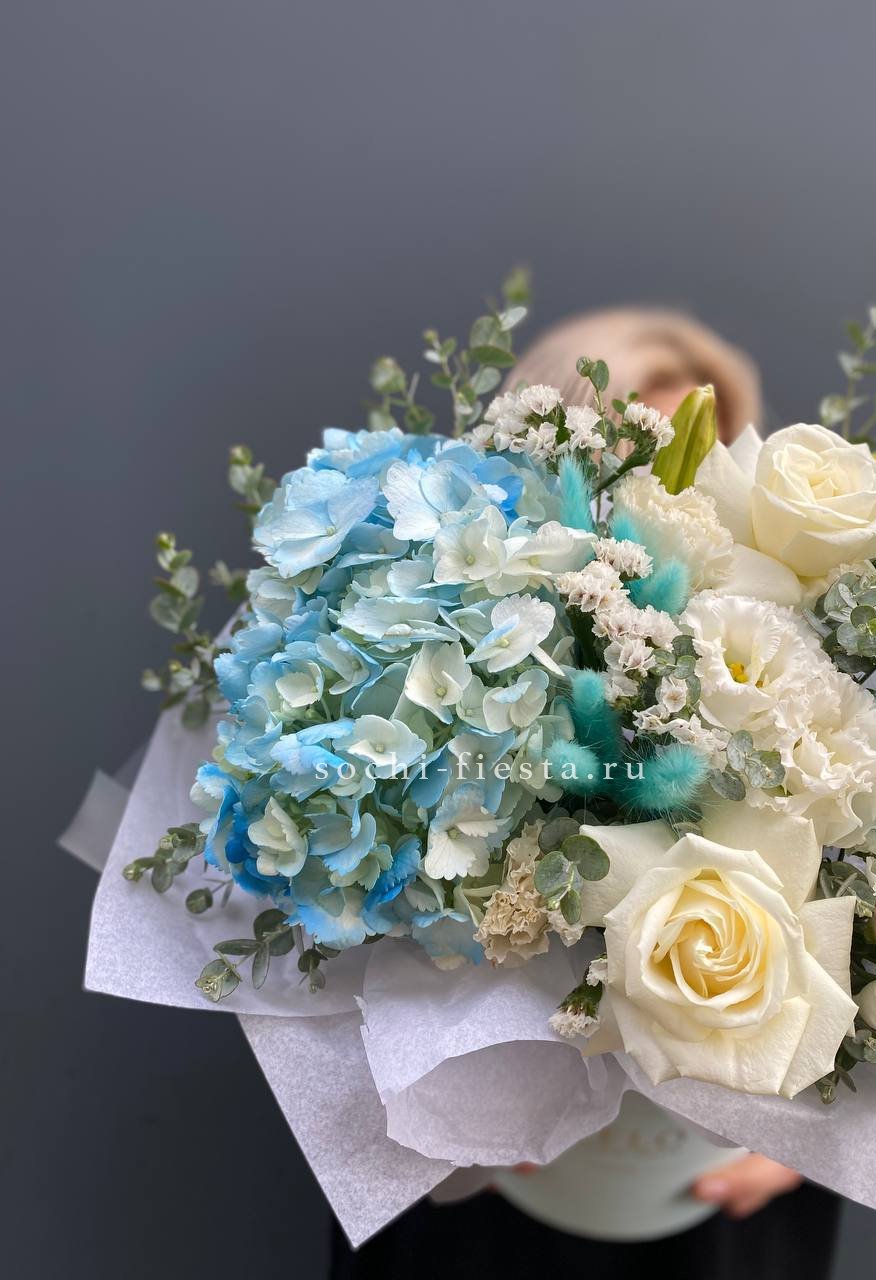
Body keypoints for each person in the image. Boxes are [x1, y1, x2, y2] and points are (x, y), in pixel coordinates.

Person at [328, 307, 840, 1280]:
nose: (665, 492)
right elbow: (323, 947)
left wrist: (817, 1141)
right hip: (476, 1219)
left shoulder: (810, 672)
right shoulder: (433, 654)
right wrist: (431, 1113)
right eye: (628, 458)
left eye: (696, 461)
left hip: (710, 1216)